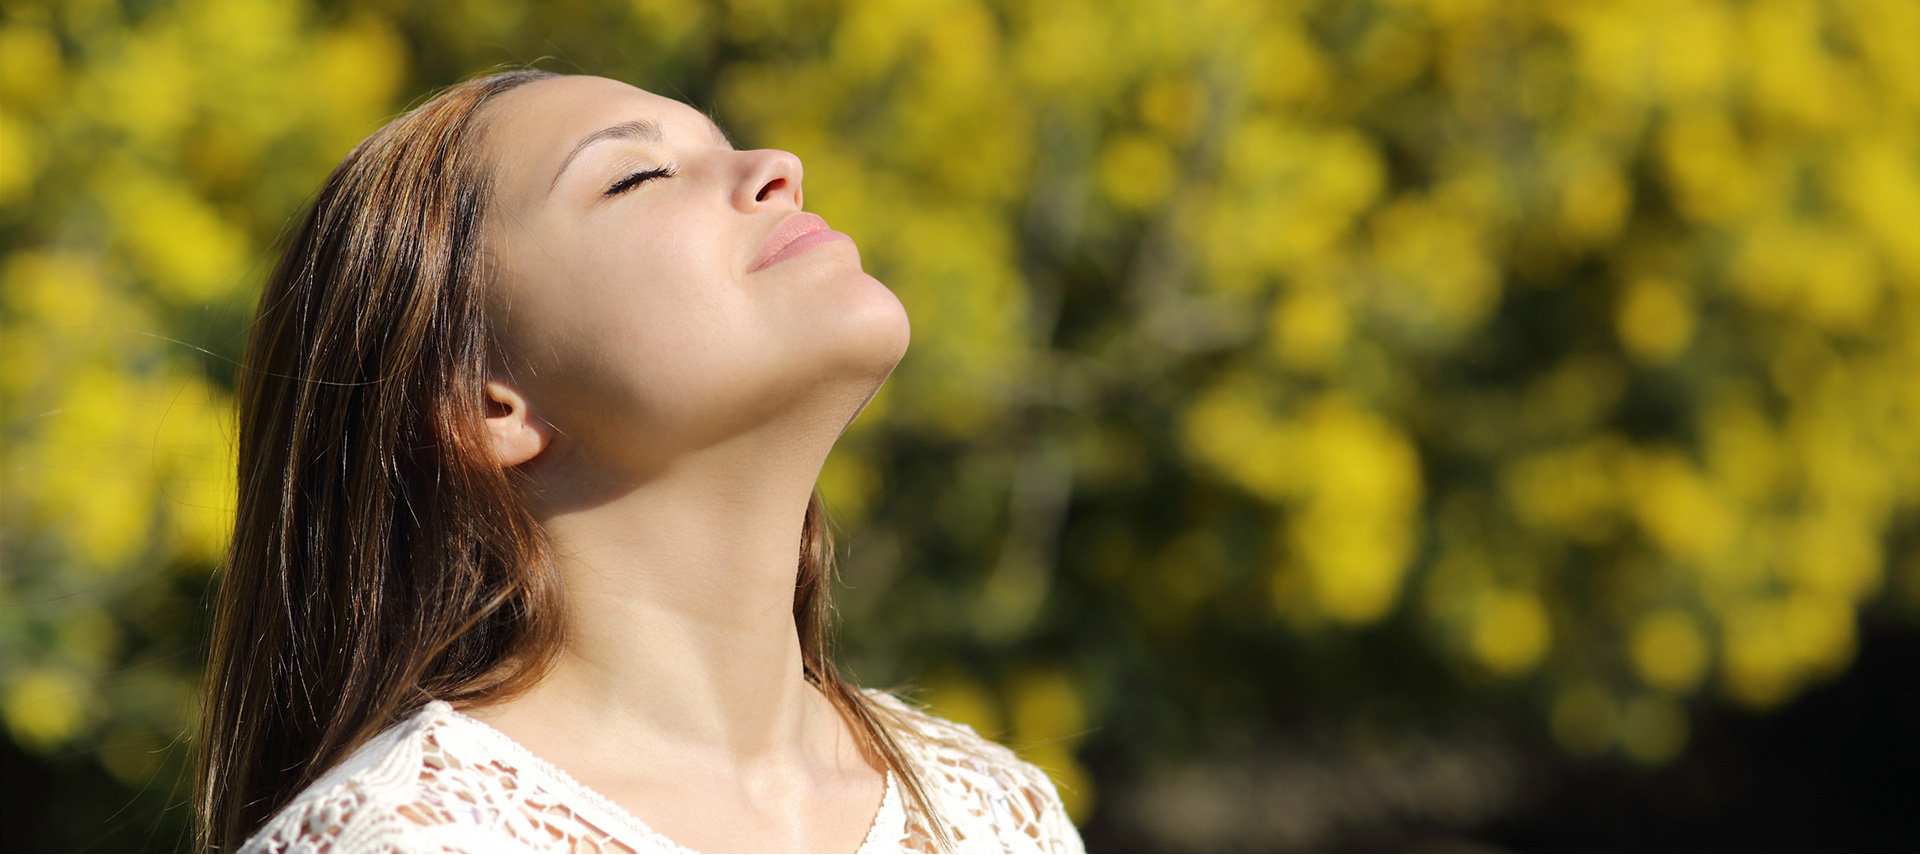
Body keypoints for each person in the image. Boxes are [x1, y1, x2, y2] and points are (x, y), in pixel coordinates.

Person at [192, 68, 1084, 854]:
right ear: (485, 404)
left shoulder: (1000, 816)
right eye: (640, 175)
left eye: (725, 143)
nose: (778, 166)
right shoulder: (404, 840)